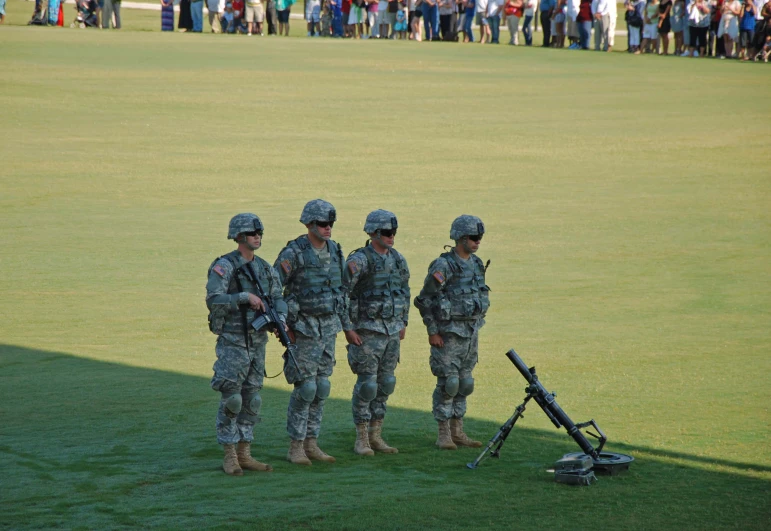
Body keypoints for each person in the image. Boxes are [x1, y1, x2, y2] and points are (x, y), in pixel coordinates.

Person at [206, 214, 287, 476]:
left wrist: (281, 319)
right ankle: (229, 454)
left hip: (257, 341)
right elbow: (214, 298)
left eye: (260, 231)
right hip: (233, 340)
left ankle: (245, 453)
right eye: (252, 232)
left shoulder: (265, 268)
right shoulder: (225, 266)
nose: (258, 235)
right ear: (239, 236)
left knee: (253, 398)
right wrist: (243, 297)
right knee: (233, 398)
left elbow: (278, 296)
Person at [274, 200, 350, 466]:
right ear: (309, 224)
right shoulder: (293, 253)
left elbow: (342, 291)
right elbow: (274, 290)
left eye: (331, 224)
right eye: (322, 224)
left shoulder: (336, 251)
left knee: (321, 387)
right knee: (305, 388)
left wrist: (347, 326)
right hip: (303, 330)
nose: (328, 229)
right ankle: (295, 446)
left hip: (328, 329)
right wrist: (284, 325)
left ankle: (312, 443)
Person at [414, 215, 490, 451]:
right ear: (460, 238)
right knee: (449, 383)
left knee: (465, 383)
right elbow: (424, 299)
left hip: (470, 333)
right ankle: (444, 434)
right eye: (474, 238)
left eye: (480, 238)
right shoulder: (443, 265)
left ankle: (458, 432)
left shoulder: (476, 264)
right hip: (447, 335)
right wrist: (432, 331)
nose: (478, 242)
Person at [343, 211, 410, 456]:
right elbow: (343, 294)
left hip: (392, 331)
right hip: (366, 332)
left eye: (394, 233)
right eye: (386, 233)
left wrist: (403, 321)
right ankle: (361, 438)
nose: (391, 237)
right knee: (367, 385)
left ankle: (376, 435)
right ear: (372, 233)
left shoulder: (398, 260)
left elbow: (404, 291)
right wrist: (348, 328)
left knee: (386, 384)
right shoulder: (359, 261)